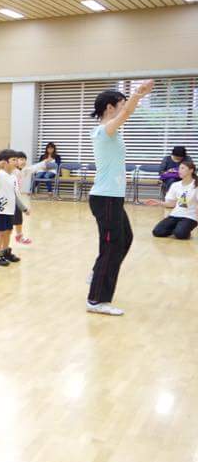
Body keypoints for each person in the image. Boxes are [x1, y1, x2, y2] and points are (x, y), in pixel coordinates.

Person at [86, 80, 154, 316]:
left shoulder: (109, 132)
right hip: (105, 198)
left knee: (125, 239)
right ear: (109, 108)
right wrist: (138, 94)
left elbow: (125, 113)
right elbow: (126, 114)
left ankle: (98, 272)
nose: (125, 108)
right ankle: (96, 300)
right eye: (121, 104)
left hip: (112, 198)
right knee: (112, 246)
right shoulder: (104, 131)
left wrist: (132, 100)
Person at [0, 150, 26, 267]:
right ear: (5, 162)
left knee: (9, 232)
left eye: (17, 159)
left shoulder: (14, 177)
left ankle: (6, 252)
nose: (16, 162)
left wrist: (23, 208)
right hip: (0, 210)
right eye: (13, 160)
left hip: (11, 210)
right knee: (1, 232)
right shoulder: (0, 174)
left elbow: (16, 194)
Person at [148, 158, 197, 240]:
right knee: (157, 232)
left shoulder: (196, 185)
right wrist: (159, 202)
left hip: (190, 217)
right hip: (175, 215)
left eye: (182, 168)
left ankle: (181, 229)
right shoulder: (175, 185)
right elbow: (171, 204)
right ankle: (178, 228)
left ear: (191, 170)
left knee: (180, 234)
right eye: (179, 168)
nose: (179, 171)